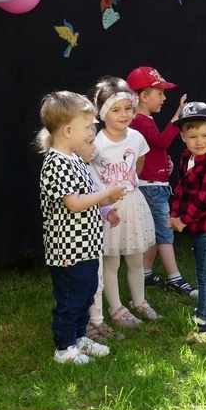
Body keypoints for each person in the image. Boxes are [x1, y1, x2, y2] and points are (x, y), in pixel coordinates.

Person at [36, 91, 126, 364]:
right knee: (70, 300)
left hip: (86, 246)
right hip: (68, 250)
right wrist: (105, 194)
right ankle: (64, 349)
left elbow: (85, 200)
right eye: (87, 126)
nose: (92, 130)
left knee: (86, 295)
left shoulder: (74, 159)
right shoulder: (56, 163)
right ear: (67, 130)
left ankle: (78, 339)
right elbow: (74, 203)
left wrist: (105, 206)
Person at [89, 76, 162, 330]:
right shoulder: (96, 143)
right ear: (102, 113)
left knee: (135, 257)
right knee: (111, 261)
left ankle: (139, 301)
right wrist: (105, 201)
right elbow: (90, 174)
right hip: (108, 207)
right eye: (116, 110)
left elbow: (137, 168)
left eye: (128, 108)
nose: (124, 115)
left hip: (132, 203)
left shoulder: (136, 138)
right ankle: (116, 308)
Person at [127, 66, 198, 298]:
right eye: (160, 93)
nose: (164, 98)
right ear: (144, 97)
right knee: (166, 230)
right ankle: (175, 277)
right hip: (152, 187)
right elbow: (162, 141)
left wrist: (163, 163)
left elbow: (152, 149)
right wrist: (178, 114)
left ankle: (146, 272)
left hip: (154, 183)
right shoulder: (141, 121)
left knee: (155, 231)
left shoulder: (143, 120)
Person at [168, 102, 206, 335]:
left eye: (205, 135)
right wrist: (175, 213)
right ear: (183, 136)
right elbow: (181, 190)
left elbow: (205, 200)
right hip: (200, 226)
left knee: (203, 275)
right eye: (193, 136)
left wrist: (183, 220)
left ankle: (203, 319)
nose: (199, 141)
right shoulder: (187, 159)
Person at [73, 136, 126, 342]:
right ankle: (85, 325)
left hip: (93, 239)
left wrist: (107, 208)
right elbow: (78, 201)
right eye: (89, 142)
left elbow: (93, 196)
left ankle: (97, 321)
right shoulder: (70, 169)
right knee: (83, 285)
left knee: (97, 282)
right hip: (77, 241)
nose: (94, 148)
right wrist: (106, 196)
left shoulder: (85, 169)